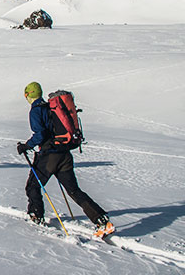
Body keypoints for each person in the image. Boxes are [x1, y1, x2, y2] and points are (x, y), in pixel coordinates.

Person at [17, 82, 115, 237]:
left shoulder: (36, 110)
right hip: (64, 153)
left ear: (29, 95)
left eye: (26, 95)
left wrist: (26, 146)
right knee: (74, 190)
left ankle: (36, 216)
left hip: (49, 156)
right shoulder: (51, 107)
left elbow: (40, 135)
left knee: (33, 186)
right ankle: (101, 219)